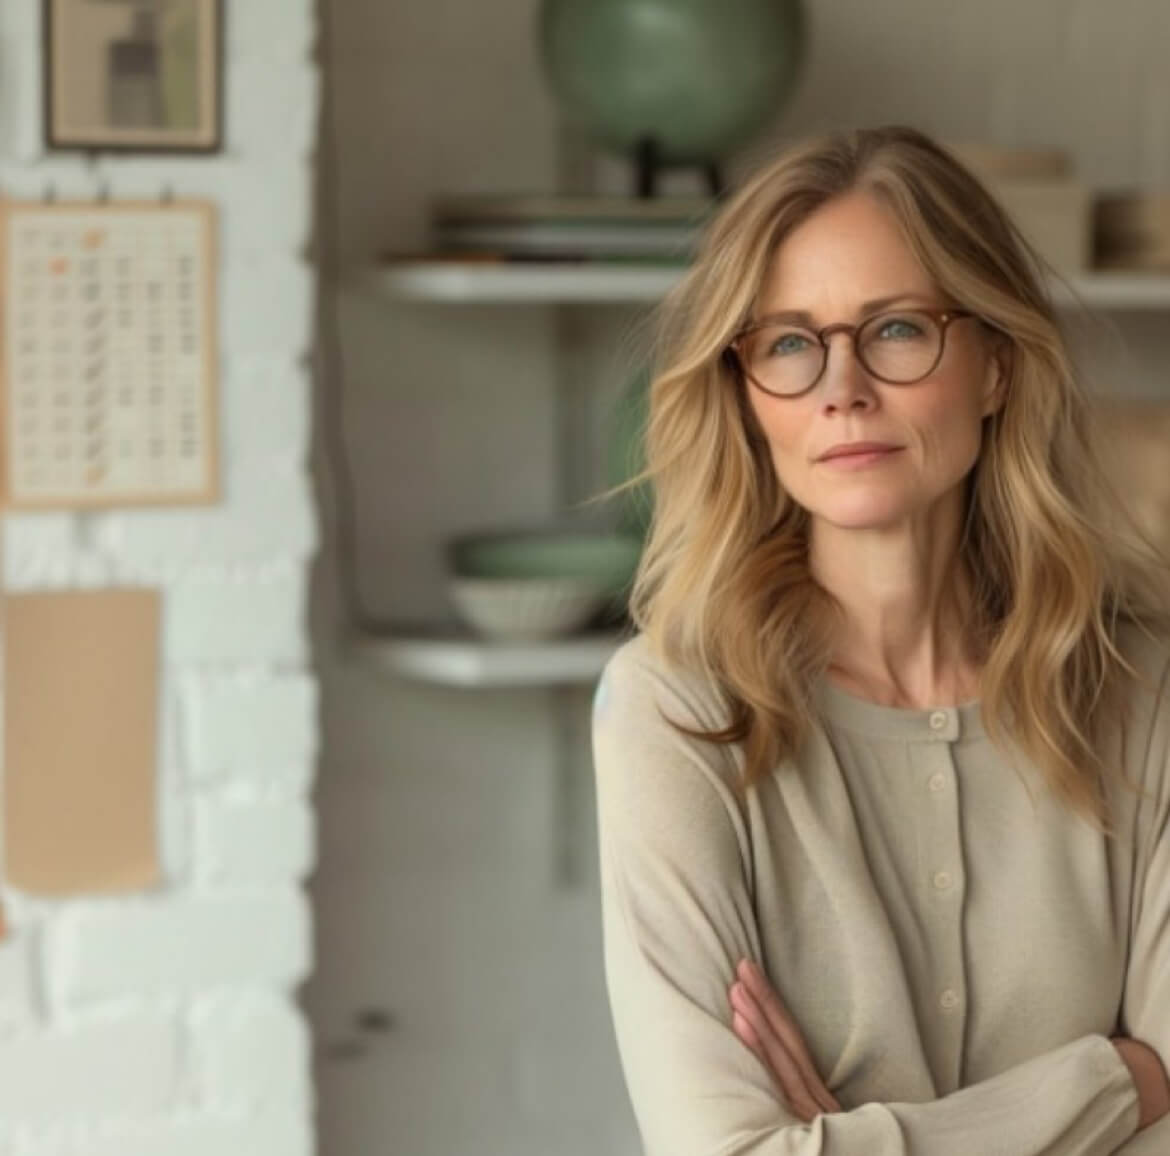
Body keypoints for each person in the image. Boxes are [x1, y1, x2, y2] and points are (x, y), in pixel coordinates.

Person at [589, 124, 1170, 1154]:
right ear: (745, 391)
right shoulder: (676, 711)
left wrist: (847, 1138)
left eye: (898, 330)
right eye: (787, 343)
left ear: (995, 362)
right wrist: (1120, 1078)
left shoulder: (1143, 694)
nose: (840, 387)